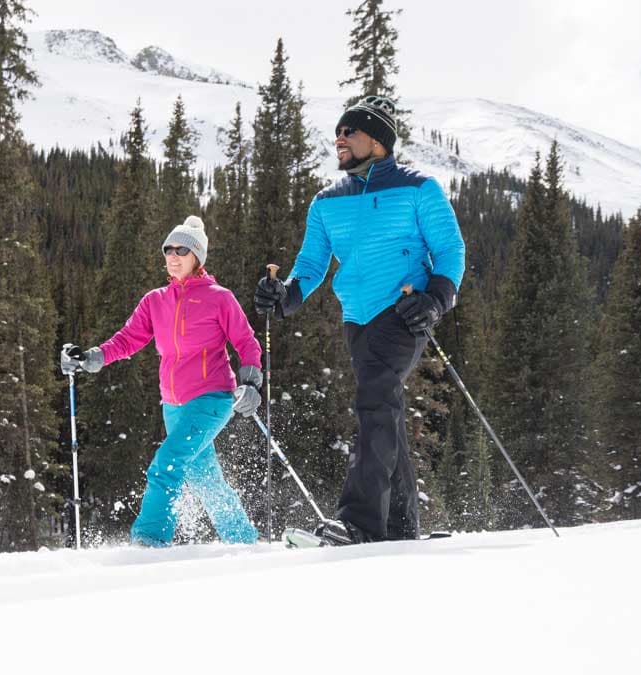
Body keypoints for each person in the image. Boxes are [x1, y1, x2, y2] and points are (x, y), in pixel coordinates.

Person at [254, 95, 465, 544]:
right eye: (338, 132)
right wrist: (285, 295)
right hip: (357, 318)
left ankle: (361, 522)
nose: (340, 139)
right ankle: (400, 528)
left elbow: (450, 250)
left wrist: (436, 298)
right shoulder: (327, 201)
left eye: (349, 131)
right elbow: (310, 264)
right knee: (382, 407)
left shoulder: (418, 188)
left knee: (374, 402)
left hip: (403, 312)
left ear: (379, 141)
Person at [62, 216, 264, 547]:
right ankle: (242, 539)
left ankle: (150, 539)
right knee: (205, 479)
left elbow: (245, 341)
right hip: (173, 404)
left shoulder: (219, 297)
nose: (172, 256)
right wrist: (95, 356)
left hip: (212, 398)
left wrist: (251, 381)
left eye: (181, 250)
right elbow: (128, 339)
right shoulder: (155, 300)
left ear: (197, 256)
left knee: (166, 465)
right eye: (168, 249)